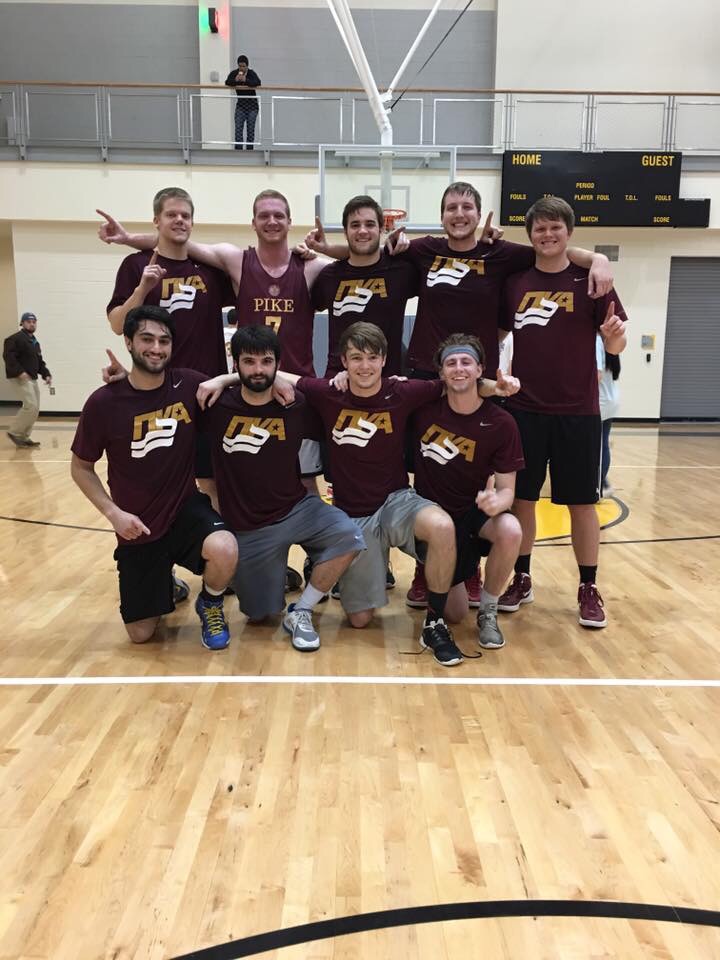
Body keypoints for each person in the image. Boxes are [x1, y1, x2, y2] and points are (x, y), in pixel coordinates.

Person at [70, 305, 237, 649]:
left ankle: (211, 602)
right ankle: (166, 583)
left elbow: (249, 384)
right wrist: (113, 514)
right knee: (141, 635)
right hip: (138, 526)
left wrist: (225, 377)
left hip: (184, 510)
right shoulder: (103, 402)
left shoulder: (188, 384)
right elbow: (80, 467)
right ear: (128, 343)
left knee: (225, 548)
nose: (156, 348)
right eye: (147, 339)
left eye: (164, 340)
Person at [497, 196, 627, 629]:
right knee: (523, 499)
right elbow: (498, 333)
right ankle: (522, 577)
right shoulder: (515, 281)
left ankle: (588, 587)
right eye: (540, 229)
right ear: (530, 234)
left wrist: (611, 341)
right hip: (524, 409)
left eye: (556, 228)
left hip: (578, 412)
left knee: (582, 503)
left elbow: (617, 344)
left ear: (568, 232)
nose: (547, 235)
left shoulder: (591, 279)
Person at [201, 325, 365, 651]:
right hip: (250, 525)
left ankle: (301, 610)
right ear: (236, 363)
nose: (258, 370)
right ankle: (268, 584)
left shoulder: (295, 404)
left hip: (296, 507)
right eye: (249, 362)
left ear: (278, 364)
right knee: (260, 615)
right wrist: (223, 379)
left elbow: (338, 398)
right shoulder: (214, 405)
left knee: (350, 536)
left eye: (266, 362)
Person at [411, 334, 524, 650]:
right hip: (432, 514)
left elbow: (507, 492)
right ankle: (441, 568)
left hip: (472, 513)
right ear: (441, 373)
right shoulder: (422, 412)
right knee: (456, 613)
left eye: (466, 362)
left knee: (512, 529)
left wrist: (495, 501)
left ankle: (488, 610)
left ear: (480, 370)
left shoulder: (501, 423)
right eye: (451, 363)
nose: (458, 369)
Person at [310, 195, 419, 377]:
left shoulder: (402, 271)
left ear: (382, 229)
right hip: (339, 380)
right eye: (355, 225)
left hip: (388, 382)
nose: (362, 231)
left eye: (369, 224)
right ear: (345, 232)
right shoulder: (329, 276)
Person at [3, 311, 52, 448]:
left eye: (34, 322)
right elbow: (9, 357)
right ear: (22, 323)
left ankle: (24, 437)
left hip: (32, 378)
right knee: (31, 406)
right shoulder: (14, 339)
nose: (31, 324)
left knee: (35, 409)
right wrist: (19, 372)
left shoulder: (34, 342)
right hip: (20, 377)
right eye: (28, 321)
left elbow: (39, 362)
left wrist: (46, 374)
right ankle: (15, 432)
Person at [597, 334, 621, 497]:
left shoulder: (597, 343)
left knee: (596, 446)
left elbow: (596, 378)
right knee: (602, 444)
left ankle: (600, 485)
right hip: (611, 401)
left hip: (600, 403)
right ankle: (602, 483)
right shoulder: (611, 349)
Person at [225, 55, 261, 150]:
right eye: (240, 66)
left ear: (247, 66)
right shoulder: (235, 73)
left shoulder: (251, 73)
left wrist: (246, 80)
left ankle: (249, 152)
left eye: (244, 66)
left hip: (252, 107)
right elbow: (227, 82)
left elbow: (258, 82)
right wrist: (235, 80)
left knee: (250, 130)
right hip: (241, 106)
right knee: (238, 129)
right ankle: (238, 152)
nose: (242, 68)